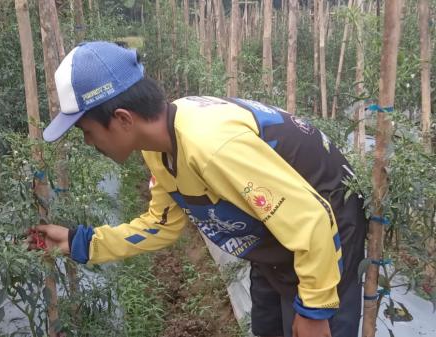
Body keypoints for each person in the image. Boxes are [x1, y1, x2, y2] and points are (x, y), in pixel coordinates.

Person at [33, 41, 367, 337]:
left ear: (122, 119)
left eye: (86, 131)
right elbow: (161, 224)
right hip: (278, 232)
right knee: (269, 325)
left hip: (327, 231)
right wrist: (81, 242)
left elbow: (312, 219)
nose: (89, 143)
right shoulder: (159, 148)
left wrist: (316, 310)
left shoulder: (210, 145)